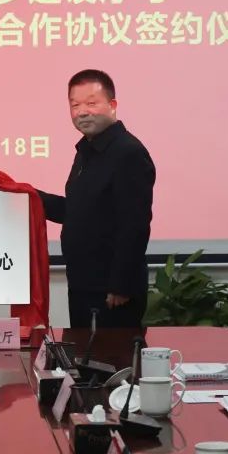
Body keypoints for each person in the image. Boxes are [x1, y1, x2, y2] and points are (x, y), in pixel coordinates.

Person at [38, 69, 155, 329]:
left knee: (111, 355)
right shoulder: (87, 151)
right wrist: (29, 196)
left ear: (112, 105)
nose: (82, 112)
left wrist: (121, 285)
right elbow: (78, 211)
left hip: (112, 292)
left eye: (91, 103)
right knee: (82, 352)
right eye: (75, 105)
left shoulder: (128, 152)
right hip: (83, 283)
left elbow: (134, 224)